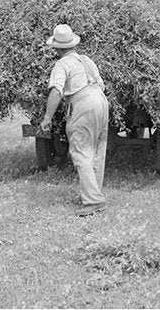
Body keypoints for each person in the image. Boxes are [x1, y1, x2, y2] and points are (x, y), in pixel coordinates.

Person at [39, 24, 110, 216]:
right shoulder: (86, 60)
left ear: (57, 48)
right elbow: (101, 84)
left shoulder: (61, 65)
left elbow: (56, 91)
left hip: (83, 103)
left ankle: (93, 201)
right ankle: (95, 196)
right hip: (101, 101)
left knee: (81, 152)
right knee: (97, 151)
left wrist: (47, 118)